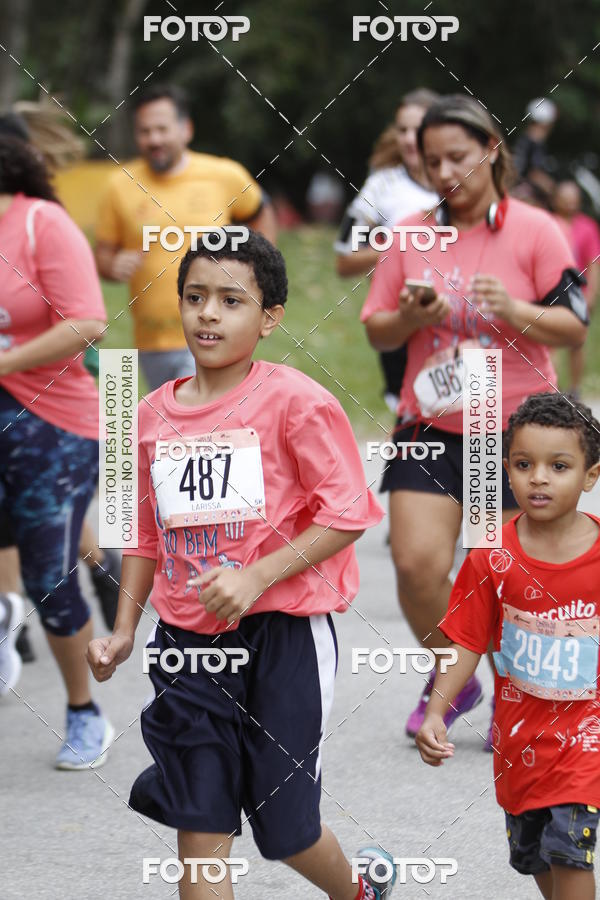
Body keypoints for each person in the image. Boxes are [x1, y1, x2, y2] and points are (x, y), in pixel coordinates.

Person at [87, 231, 392, 899]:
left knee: (287, 831)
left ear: (270, 317)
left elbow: (348, 513)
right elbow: (142, 534)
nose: (208, 314)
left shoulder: (296, 402)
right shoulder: (146, 416)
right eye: (195, 297)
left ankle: (360, 891)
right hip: (187, 647)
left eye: (231, 300)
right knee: (199, 820)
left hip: (282, 636)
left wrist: (256, 575)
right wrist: (122, 630)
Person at [360, 94, 589, 747]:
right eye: (432, 161)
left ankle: (515, 694)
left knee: (506, 573)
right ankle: (454, 680)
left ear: (492, 148)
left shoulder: (536, 229)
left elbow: (574, 322)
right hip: (429, 422)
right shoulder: (410, 232)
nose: (444, 172)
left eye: (457, 156)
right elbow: (377, 331)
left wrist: (513, 307)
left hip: (515, 431)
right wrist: (412, 317)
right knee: (415, 564)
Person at [416, 391, 600, 900]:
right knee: (534, 853)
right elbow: (465, 641)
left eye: (558, 466)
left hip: (587, 739)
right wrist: (436, 712)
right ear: (506, 469)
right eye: (523, 464)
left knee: (569, 849)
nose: (538, 477)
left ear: (590, 475)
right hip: (521, 741)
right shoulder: (491, 555)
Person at [0, 135, 113, 767]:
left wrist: (5, 361)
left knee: (48, 574)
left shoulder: (42, 223)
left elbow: (86, 322)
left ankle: (83, 711)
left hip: (54, 424)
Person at [95, 83, 277, 392]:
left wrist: (261, 269)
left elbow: (260, 210)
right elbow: (102, 255)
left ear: (185, 129)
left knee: (206, 421)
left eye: (162, 129)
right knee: (171, 428)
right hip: (153, 339)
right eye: (145, 131)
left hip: (217, 329)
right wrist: (113, 265)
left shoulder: (223, 175)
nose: (154, 139)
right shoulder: (120, 184)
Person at [335, 89, 438, 410]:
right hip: (402, 328)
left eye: (417, 130)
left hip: (464, 327)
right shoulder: (381, 187)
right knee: (416, 439)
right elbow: (346, 257)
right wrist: (400, 246)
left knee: (478, 440)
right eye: (401, 129)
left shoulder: (465, 183)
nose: (409, 139)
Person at [553, 180, 600, 396]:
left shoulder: (587, 226)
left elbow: (594, 262)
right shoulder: (548, 222)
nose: (570, 203)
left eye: (574, 199)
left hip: (577, 292)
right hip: (551, 291)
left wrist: (591, 294)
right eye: (566, 198)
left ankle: (575, 390)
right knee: (549, 342)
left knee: (577, 342)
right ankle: (552, 389)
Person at [512, 98, 558, 208]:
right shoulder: (531, 143)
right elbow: (533, 173)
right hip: (524, 195)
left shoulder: (526, 142)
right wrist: (553, 189)